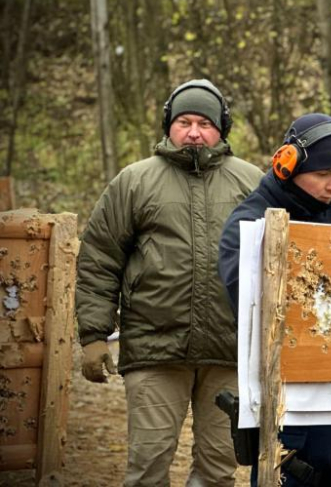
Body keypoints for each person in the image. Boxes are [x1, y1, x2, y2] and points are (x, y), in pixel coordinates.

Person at [75, 79, 262, 487]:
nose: (194, 132)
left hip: (231, 353)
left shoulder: (252, 183)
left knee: (218, 471)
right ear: (168, 126)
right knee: (148, 469)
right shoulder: (134, 182)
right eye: (184, 122)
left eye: (204, 123)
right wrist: (93, 334)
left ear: (221, 129)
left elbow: (280, 262)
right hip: (155, 351)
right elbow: (99, 259)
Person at [218, 113, 331, 487]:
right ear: (287, 164)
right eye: (324, 174)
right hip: (292, 408)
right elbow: (250, 307)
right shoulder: (249, 222)